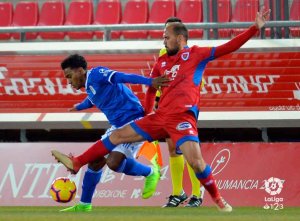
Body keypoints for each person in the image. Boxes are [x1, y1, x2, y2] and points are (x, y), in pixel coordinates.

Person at [52, 8, 270, 212]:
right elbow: (150, 89)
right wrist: (147, 112)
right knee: (117, 135)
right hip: (158, 117)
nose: (163, 40)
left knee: (195, 162)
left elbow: (228, 47)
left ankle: (217, 198)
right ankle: (78, 162)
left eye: (166, 36)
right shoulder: (162, 61)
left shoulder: (196, 54)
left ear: (180, 38)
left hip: (181, 118)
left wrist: (254, 28)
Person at [56, 54, 168, 212]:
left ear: (80, 71)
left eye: (69, 76)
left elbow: (122, 77)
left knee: (114, 163)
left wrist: (151, 82)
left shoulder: (97, 74)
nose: (68, 81)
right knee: (95, 162)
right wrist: (78, 107)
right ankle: (84, 205)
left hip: (134, 121)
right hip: (116, 126)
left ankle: (150, 172)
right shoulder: (90, 88)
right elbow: (92, 100)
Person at [157, 17, 205, 208]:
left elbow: (195, 81)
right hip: (167, 107)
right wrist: (158, 102)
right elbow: (161, 80)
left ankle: (197, 193)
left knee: (188, 150)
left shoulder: (192, 54)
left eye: (168, 31)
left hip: (185, 107)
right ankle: (177, 193)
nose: (165, 36)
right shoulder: (163, 53)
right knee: (171, 148)